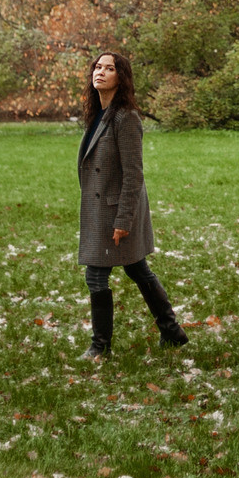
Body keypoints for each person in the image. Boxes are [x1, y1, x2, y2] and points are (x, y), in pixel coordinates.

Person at [77, 50, 188, 358]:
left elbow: (134, 174)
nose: (99, 72)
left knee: (97, 275)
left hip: (116, 211)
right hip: (101, 209)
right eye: (97, 67)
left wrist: (123, 220)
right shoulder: (97, 113)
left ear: (120, 77)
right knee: (137, 269)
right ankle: (172, 331)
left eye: (108, 68)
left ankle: (100, 347)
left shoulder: (126, 118)